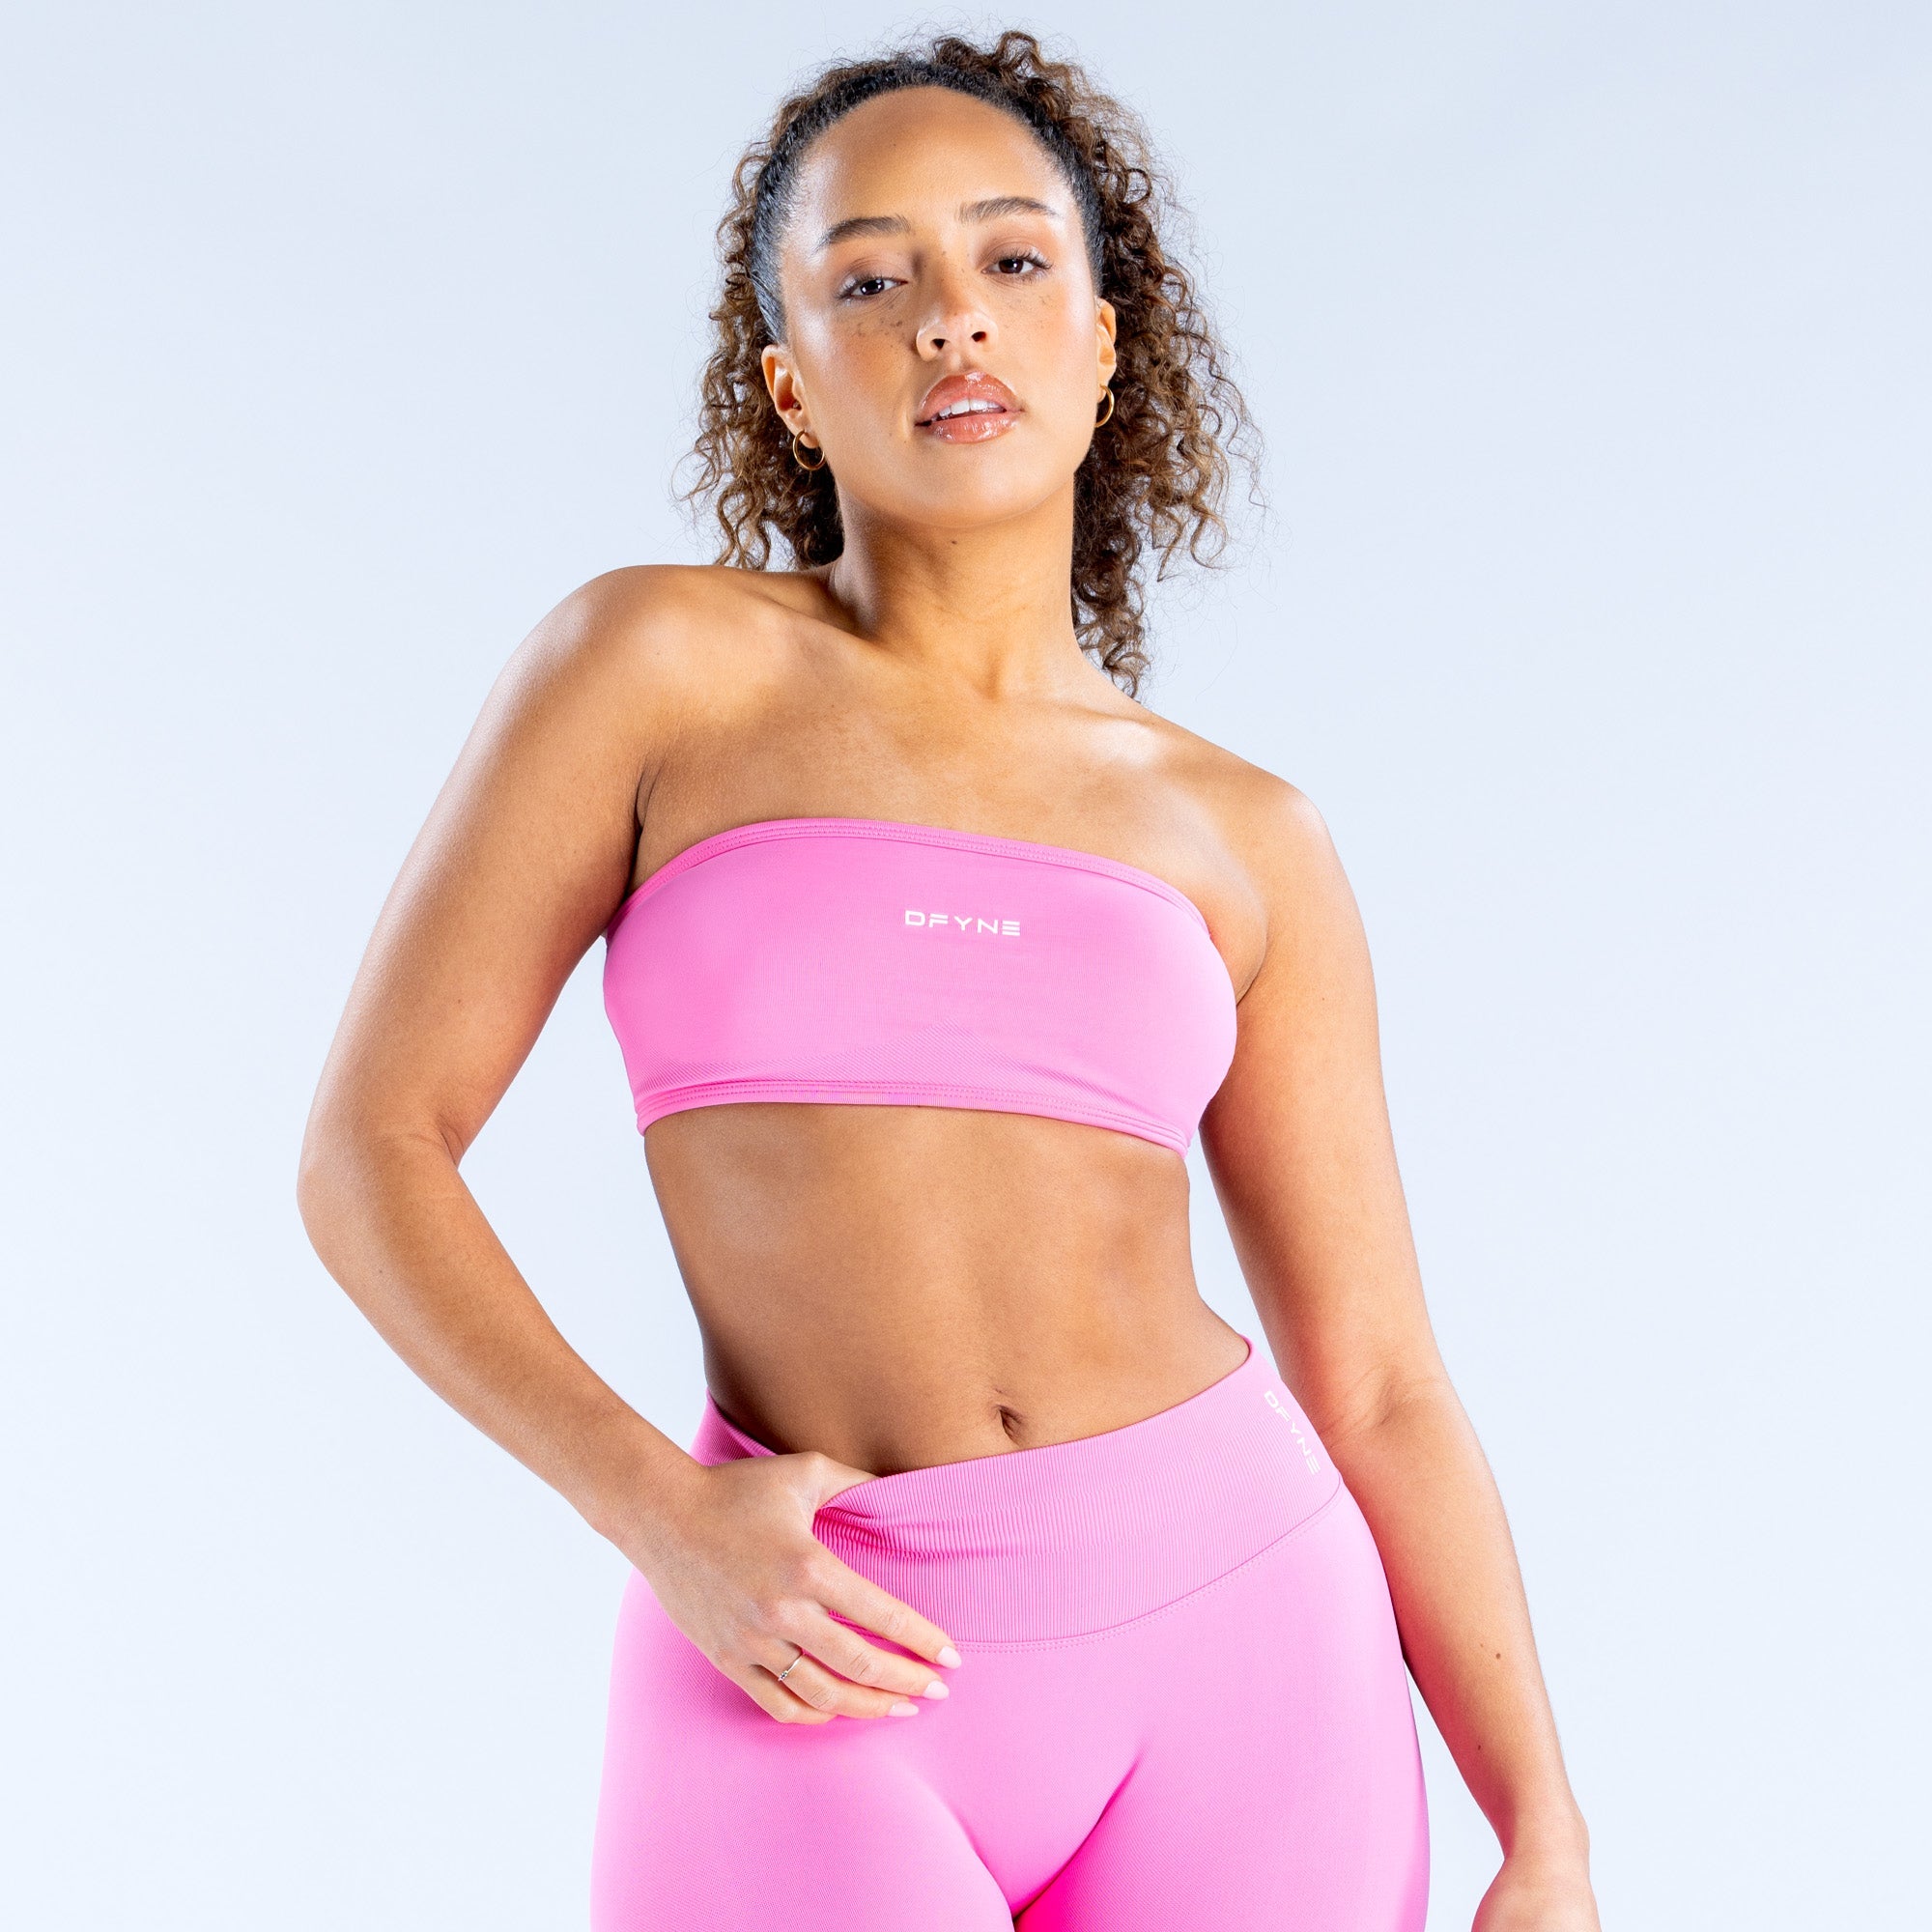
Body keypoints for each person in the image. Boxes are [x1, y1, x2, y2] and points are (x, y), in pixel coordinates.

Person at [298, 28, 1601, 1932]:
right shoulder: (655, 671)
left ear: (1102, 341)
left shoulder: (1246, 833)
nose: (950, 319)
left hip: (1244, 1645)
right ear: (789, 385)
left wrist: (1542, 1829)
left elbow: (1382, 1380)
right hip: (806, 1631)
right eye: (868, 279)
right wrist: (658, 1511)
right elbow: (370, 1152)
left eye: (1009, 260)